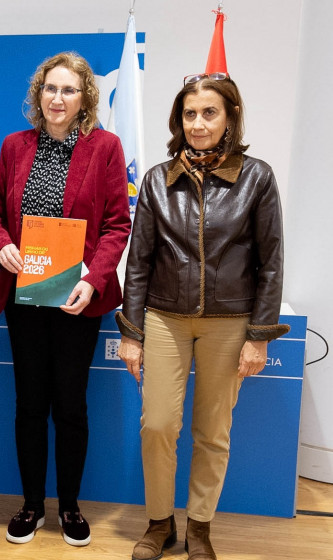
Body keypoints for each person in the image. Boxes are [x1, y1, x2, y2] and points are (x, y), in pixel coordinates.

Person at [117, 73, 287, 560]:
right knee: (157, 426)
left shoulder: (257, 176)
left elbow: (271, 262)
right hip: (165, 319)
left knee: (212, 432)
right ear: (179, 119)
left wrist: (259, 336)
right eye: (189, 114)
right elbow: (139, 263)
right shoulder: (156, 179)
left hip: (230, 323)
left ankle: (200, 528)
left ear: (230, 116)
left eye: (209, 112)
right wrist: (131, 333)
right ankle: (159, 525)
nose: (198, 123)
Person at [0, 52, 131, 547]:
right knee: (29, 404)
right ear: (37, 94)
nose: (58, 98)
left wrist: (93, 278)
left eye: (69, 89)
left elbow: (116, 224)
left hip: (77, 298)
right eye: (50, 88)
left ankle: (68, 506)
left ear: (85, 96)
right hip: (25, 297)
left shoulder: (105, 147)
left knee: (69, 406)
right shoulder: (14, 146)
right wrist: (2, 244)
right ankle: (31, 505)